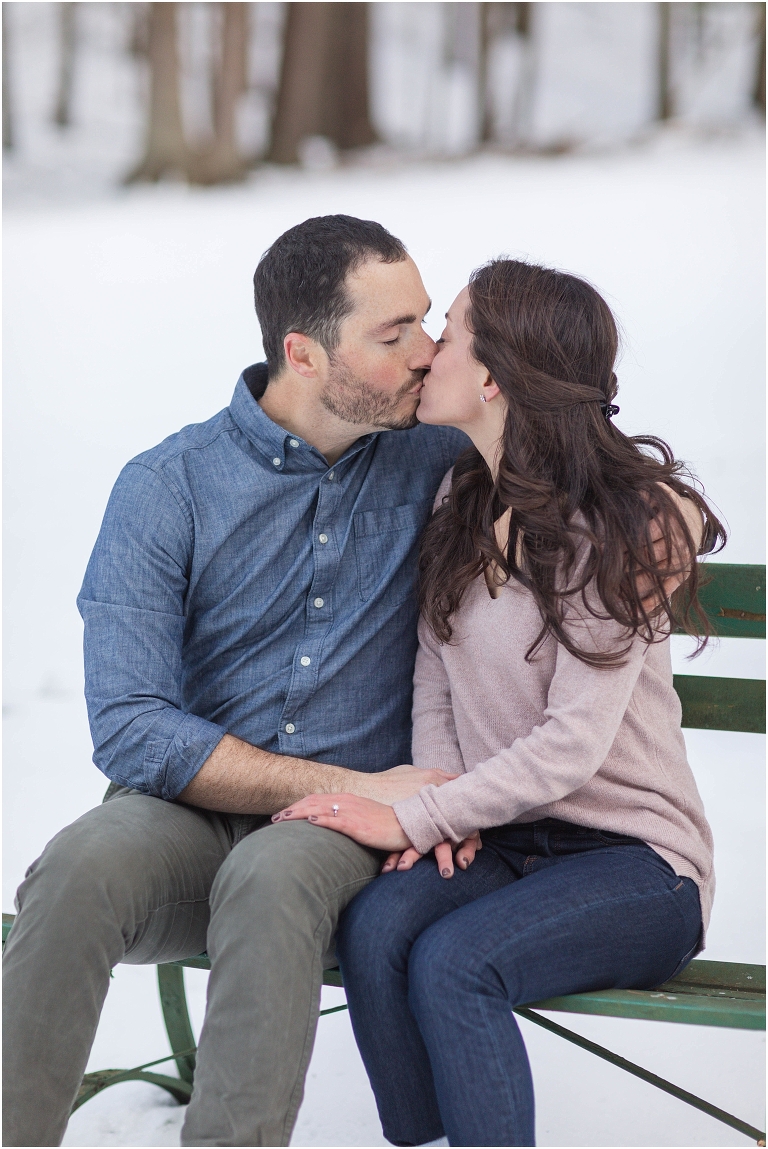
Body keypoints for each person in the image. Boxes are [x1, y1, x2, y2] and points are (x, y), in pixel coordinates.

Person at [2, 215, 468, 1148]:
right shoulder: (166, 486)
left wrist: (657, 517)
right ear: (303, 352)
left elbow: (594, 472)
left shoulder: (441, 459)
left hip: (349, 836)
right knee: (78, 865)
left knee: (271, 873)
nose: (429, 353)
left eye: (426, 321)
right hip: (197, 811)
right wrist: (336, 784)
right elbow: (130, 724)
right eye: (394, 335)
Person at [273, 258, 726, 1147]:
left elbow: (571, 748)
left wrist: (413, 817)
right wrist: (443, 802)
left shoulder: (622, 531)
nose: (429, 346)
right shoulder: (460, 498)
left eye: (453, 329)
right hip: (511, 840)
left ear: (492, 378)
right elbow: (432, 676)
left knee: (454, 963)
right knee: (376, 929)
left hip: (637, 861)